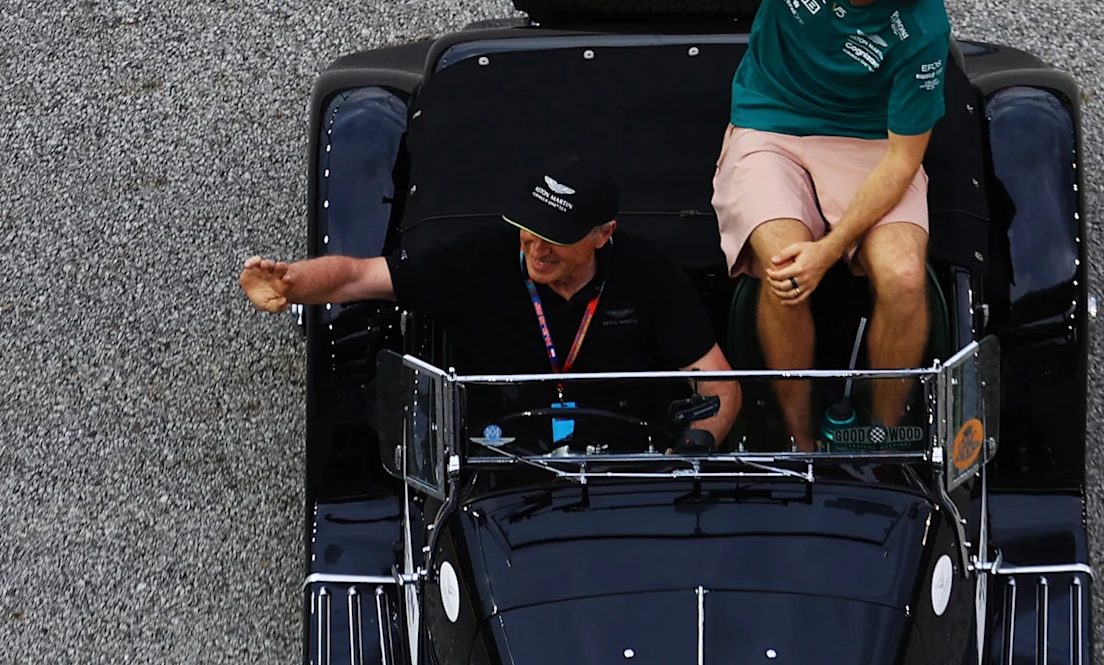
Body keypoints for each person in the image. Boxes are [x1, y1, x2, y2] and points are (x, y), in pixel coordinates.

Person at [524, 0, 950, 444]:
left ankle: (883, 439)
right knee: (785, 265)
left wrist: (834, 245)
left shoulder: (920, 30)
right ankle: (799, 440)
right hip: (769, 128)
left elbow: (903, 162)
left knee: (901, 278)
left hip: (867, 145)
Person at [241, 154, 743, 451]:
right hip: (497, 459)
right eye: (529, 229)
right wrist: (290, 281)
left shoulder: (648, 271)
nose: (536, 248)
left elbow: (719, 383)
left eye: (557, 236)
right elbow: (357, 275)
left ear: (603, 235)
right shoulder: (478, 257)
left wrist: (692, 452)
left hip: (619, 462)